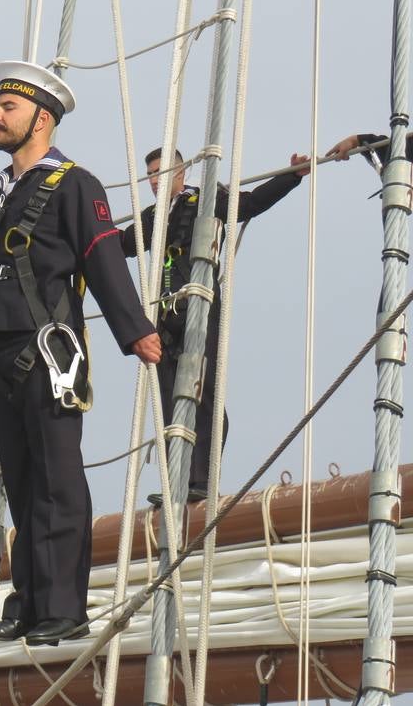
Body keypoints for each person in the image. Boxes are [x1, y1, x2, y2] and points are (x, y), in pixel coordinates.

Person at [0, 61, 161, 647]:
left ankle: (62, 608)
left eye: (8, 108)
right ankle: (29, 601)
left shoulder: (74, 185)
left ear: (41, 119)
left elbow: (104, 257)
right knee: (23, 482)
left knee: (57, 481)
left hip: (48, 355)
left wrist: (134, 330)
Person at [121, 146, 308, 506]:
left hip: (199, 305)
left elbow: (249, 204)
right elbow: (122, 245)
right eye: (151, 176)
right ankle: (176, 481)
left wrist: (290, 177)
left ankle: (201, 480)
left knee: (201, 394)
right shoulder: (153, 218)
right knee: (168, 402)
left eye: (162, 172)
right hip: (162, 316)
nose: (156, 181)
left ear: (182, 172)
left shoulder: (206, 199)